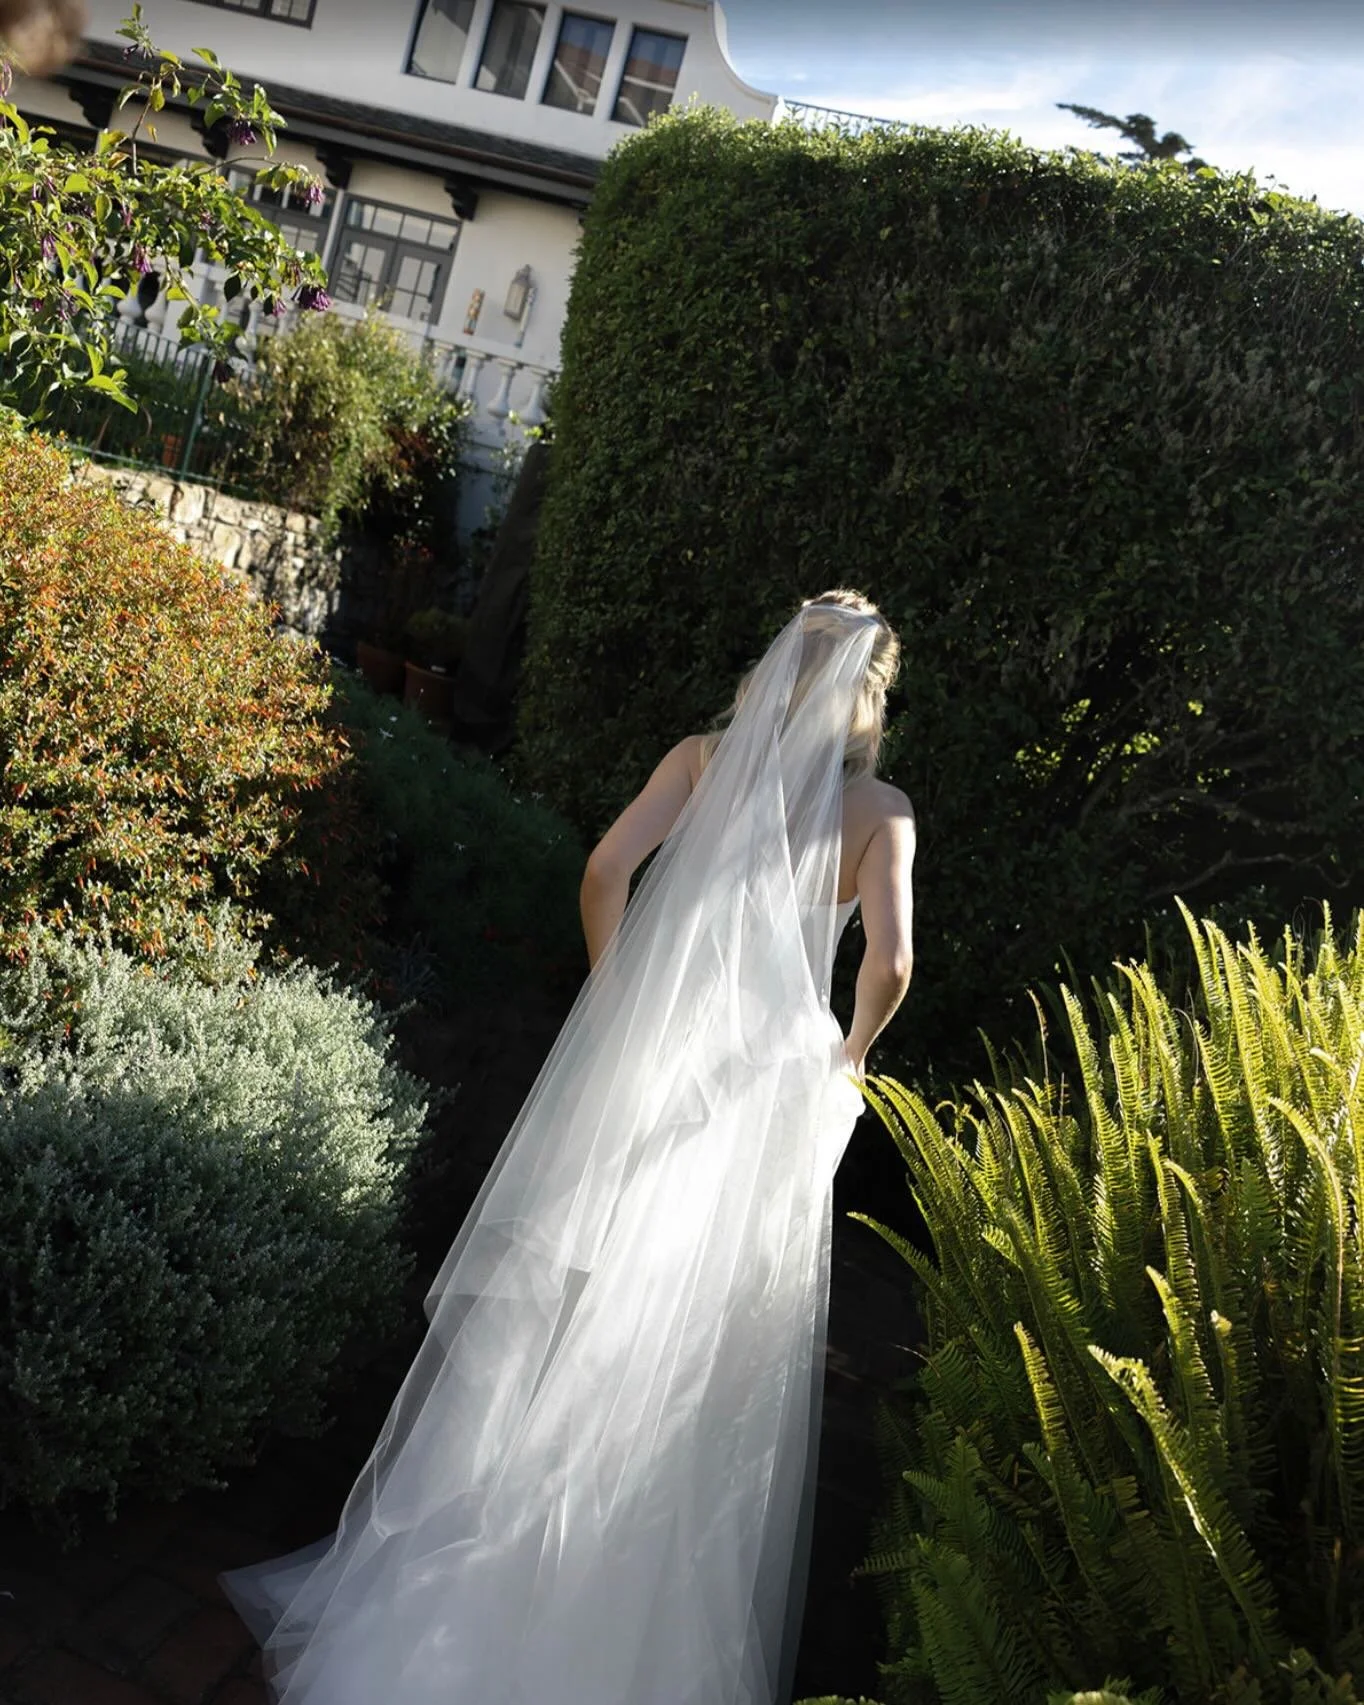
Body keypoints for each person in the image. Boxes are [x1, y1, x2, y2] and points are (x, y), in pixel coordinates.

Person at [221, 588, 915, 1705]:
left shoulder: (702, 760)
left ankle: (473, 1581)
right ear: (867, 696)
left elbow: (604, 870)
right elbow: (890, 963)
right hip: (765, 1089)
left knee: (576, 1307)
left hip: (665, 1053)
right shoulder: (879, 812)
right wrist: (851, 1056)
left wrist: (620, 993)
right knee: (699, 1347)